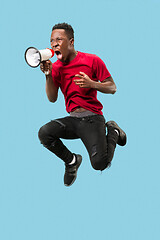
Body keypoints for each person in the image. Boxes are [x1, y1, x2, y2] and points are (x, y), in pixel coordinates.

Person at [38, 22, 127, 187]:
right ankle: (72, 161)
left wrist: (92, 84)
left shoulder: (92, 60)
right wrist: (48, 76)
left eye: (59, 39)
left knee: (100, 164)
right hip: (73, 120)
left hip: (93, 118)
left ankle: (113, 130)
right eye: (51, 41)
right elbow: (52, 98)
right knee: (44, 133)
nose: (54, 44)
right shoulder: (56, 68)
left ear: (71, 42)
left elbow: (112, 87)